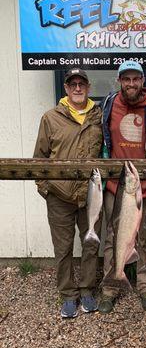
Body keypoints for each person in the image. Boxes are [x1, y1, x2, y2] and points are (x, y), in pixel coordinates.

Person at [33, 68, 103, 318]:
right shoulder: (50, 118)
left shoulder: (98, 117)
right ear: (65, 88)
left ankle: (86, 290)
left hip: (90, 195)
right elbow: (39, 159)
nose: (77, 88)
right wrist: (46, 188)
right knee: (62, 249)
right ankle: (67, 295)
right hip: (59, 196)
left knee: (91, 244)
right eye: (72, 84)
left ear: (88, 87)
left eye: (81, 83)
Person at [98, 60, 146, 314]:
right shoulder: (109, 104)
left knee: (144, 237)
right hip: (116, 184)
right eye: (127, 79)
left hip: (143, 184)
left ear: (142, 82)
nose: (131, 84)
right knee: (113, 238)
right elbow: (104, 141)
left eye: (136, 79)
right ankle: (110, 287)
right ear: (119, 80)